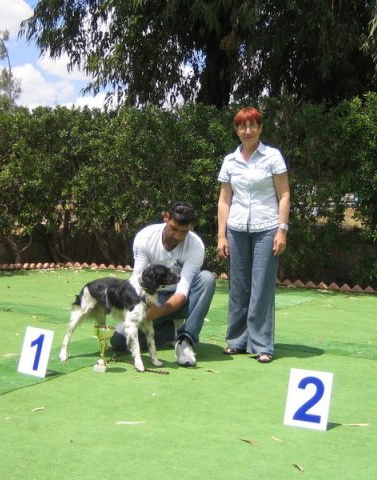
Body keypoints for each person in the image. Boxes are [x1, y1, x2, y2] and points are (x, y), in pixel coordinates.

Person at [216, 107, 290, 363]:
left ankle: (261, 344)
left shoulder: (272, 157)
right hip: (236, 229)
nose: (247, 131)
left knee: (261, 288)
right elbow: (224, 199)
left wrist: (282, 229)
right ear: (236, 130)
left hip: (267, 228)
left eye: (252, 126)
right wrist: (221, 235)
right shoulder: (230, 161)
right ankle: (236, 340)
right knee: (238, 287)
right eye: (242, 127)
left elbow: (284, 195)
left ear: (261, 128)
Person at [110, 201, 216, 367]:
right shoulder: (145, 237)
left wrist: (159, 311)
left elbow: (183, 290)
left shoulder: (196, 246)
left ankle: (185, 340)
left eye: (184, 231)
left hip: (180, 301)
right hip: (149, 298)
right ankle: (169, 331)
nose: (178, 236)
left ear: (191, 227)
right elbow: (137, 281)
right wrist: (145, 309)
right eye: (174, 228)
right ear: (166, 218)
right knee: (119, 343)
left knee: (207, 279)